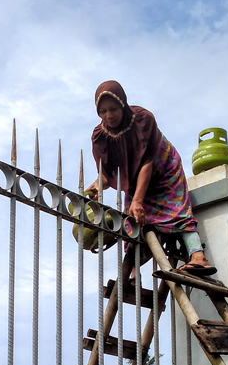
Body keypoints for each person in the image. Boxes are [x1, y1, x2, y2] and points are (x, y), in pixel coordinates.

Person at [85, 80, 216, 277]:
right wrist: (96, 186)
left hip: (164, 172)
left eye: (113, 109)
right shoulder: (99, 136)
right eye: (102, 111)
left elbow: (147, 162)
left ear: (123, 104)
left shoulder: (142, 119)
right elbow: (108, 175)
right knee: (133, 222)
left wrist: (138, 200)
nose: (108, 115)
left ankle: (198, 257)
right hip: (135, 180)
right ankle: (132, 275)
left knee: (178, 213)